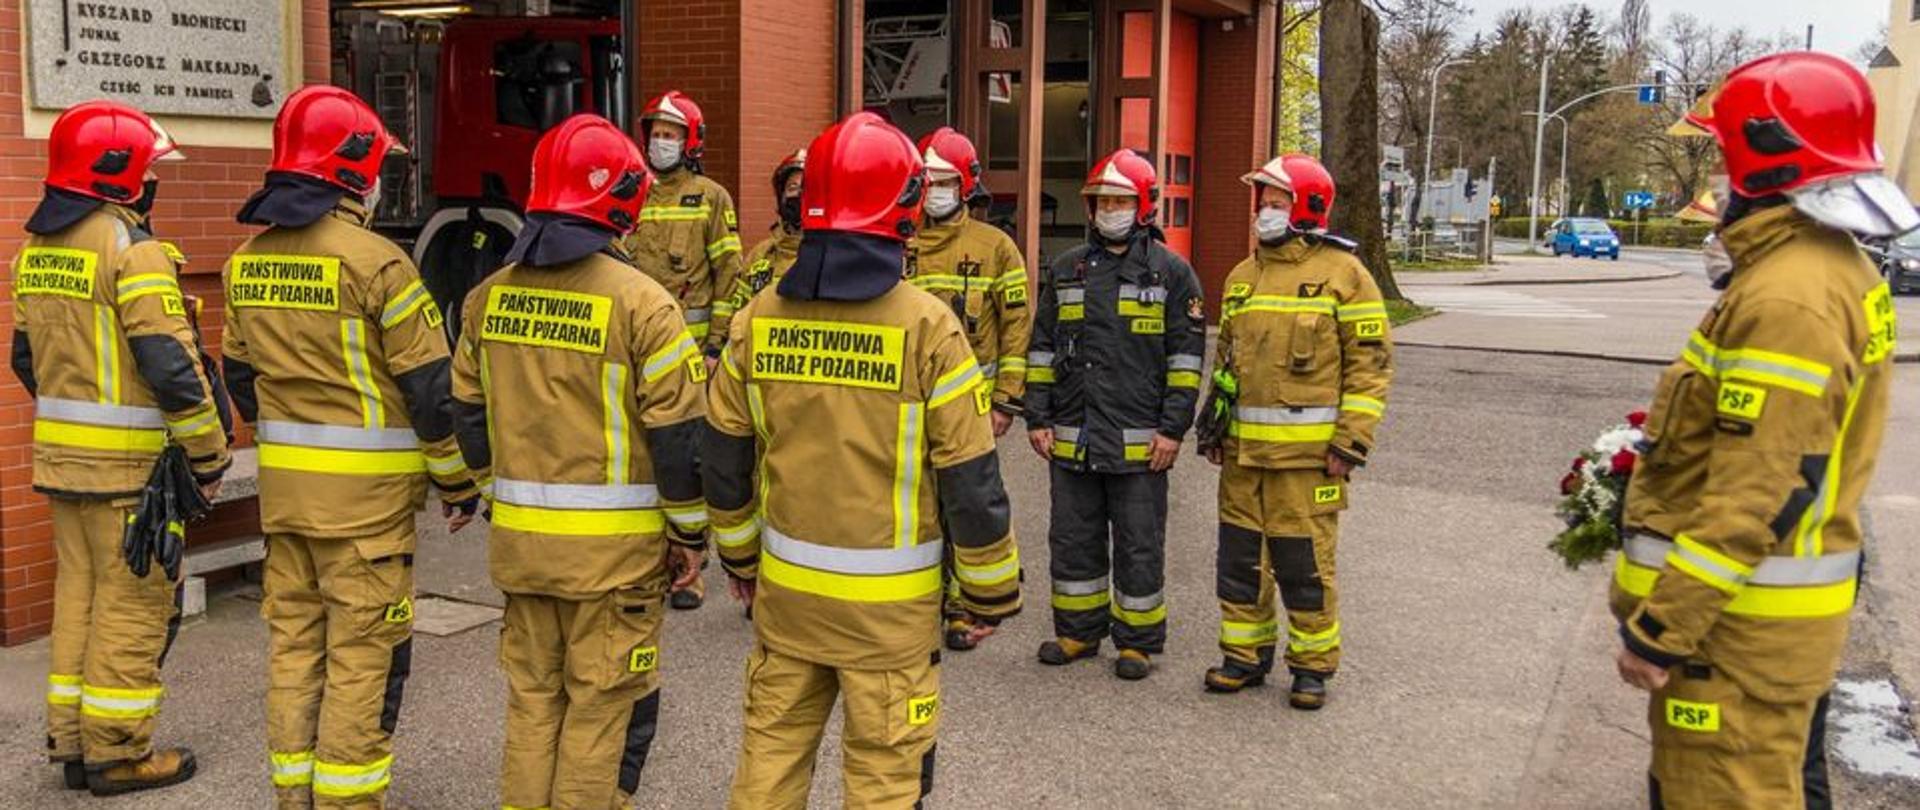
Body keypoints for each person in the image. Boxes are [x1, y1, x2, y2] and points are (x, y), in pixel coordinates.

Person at [1610, 52, 1906, 810]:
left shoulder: (1788, 297)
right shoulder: (1830, 269)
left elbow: (1758, 493)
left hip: (1736, 639)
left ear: (1765, 157)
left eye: (1721, 152)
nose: (1715, 171)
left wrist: (1660, 631)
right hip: (1766, 635)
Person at [707, 112, 1023, 808]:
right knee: (883, 780)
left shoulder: (759, 315)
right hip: (890, 623)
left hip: (787, 603)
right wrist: (992, 591)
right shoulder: (927, 326)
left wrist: (738, 560)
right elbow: (970, 479)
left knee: (769, 764)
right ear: (904, 206)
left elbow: (724, 456)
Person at [220, 85, 480, 809]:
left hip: (286, 501)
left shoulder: (246, 261)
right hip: (366, 516)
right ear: (353, 172)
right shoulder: (380, 264)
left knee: (296, 650)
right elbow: (431, 392)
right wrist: (457, 484)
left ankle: (293, 795)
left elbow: (240, 377)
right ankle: (346, 800)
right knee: (365, 659)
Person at [450, 114, 708, 810]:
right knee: (600, 708)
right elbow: (679, 439)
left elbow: (467, 415)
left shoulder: (486, 298)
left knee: (533, 703)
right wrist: (689, 537)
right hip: (613, 562)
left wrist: (492, 495)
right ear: (622, 201)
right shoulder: (645, 306)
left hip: (522, 550)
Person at [10, 100, 230, 796]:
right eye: (150, 170)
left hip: (64, 465)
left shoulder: (38, 251)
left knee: (77, 599)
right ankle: (119, 751)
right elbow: (170, 365)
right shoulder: (131, 250)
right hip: (128, 475)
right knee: (134, 608)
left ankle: (72, 742)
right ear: (122, 176)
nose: (154, 182)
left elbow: (25, 359)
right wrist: (208, 455)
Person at [1198, 154, 1392, 709]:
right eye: (1262, 201)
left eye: (1276, 201)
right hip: (1243, 457)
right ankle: (1244, 655)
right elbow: (1228, 360)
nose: (1264, 211)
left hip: (1307, 463)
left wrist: (1351, 442)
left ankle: (1311, 667)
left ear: (1306, 206)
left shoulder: (1345, 276)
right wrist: (1215, 426)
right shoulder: (1243, 275)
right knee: (1239, 562)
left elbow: (1371, 367)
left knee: (1304, 565)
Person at [1023, 149, 1204, 681]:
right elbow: (1040, 348)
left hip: (1140, 443)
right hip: (1073, 437)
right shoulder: (1066, 268)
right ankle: (1077, 632)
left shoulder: (1172, 274)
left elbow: (1186, 360)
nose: (1110, 209)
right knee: (1072, 538)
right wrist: (1037, 417)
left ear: (1142, 204)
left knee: (1138, 542)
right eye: (1103, 200)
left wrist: (1173, 430)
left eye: (1121, 200)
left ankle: (1136, 641)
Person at [903, 127, 1033, 652]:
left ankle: (962, 603)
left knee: (964, 500)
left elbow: (1017, 328)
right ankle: (920, 598)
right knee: (915, 502)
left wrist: (1006, 399)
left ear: (966, 186)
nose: (934, 190)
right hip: (906, 403)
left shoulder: (996, 248)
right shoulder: (899, 240)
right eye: (926, 181)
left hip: (971, 404)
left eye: (944, 181)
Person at [620, 89, 741, 610]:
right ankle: (654, 560)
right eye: (655, 132)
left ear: (690, 141)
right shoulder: (634, 192)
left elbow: (729, 278)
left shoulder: (711, 198)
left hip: (691, 361)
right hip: (634, 355)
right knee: (644, 460)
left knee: (688, 461)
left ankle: (692, 570)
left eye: (671, 134)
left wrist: (716, 346)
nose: (659, 142)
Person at [727, 148, 807, 305]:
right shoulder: (760, 255)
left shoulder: (831, 256)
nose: (798, 194)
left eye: (806, 187)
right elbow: (739, 314)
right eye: (792, 188)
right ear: (781, 197)